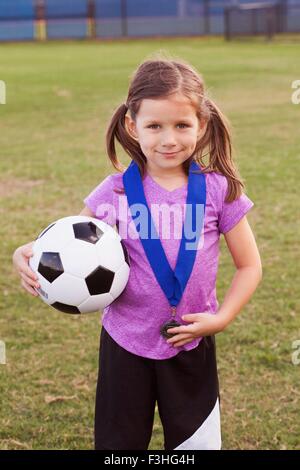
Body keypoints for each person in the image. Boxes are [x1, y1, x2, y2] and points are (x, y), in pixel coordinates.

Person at [12, 55, 262, 450]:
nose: (169, 139)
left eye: (182, 125)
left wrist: (222, 318)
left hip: (191, 341)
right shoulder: (114, 191)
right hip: (124, 343)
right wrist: (25, 255)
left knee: (194, 447)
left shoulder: (218, 190)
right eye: (155, 126)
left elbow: (249, 266)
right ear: (133, 126)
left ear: (202, 124)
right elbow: (68, 245)